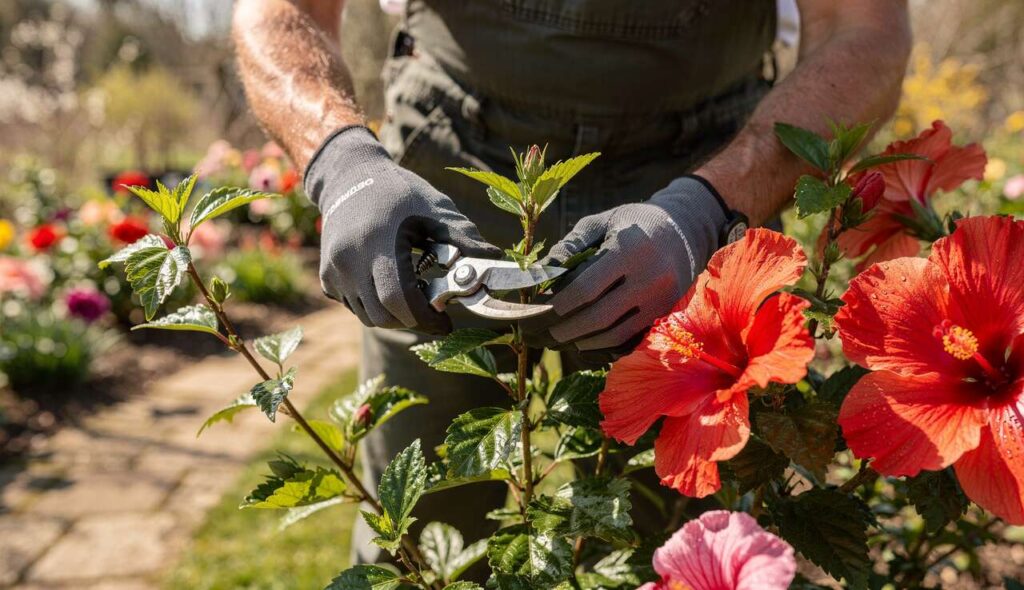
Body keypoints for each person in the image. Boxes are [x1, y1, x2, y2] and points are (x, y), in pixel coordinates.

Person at [232, 0, 911, 565]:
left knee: (670, 544)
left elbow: (866, 30)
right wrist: (341, 160)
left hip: (706, 166)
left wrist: (710, 209)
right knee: (413, 537)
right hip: (444, 173)